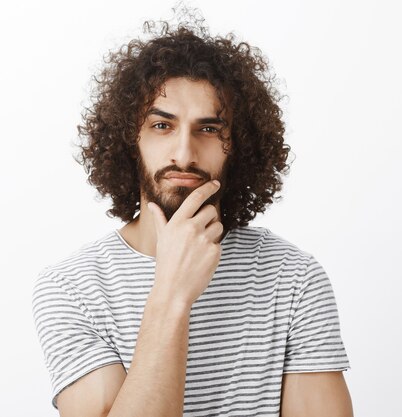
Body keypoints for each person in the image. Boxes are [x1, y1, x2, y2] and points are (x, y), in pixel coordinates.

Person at [32, 11, 353, 417]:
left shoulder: (294, 280)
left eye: (208, 129)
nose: (183, 154)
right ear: (129, 139)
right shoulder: (71, 289)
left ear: (237, 146)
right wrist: (172, 294)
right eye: (162, 126)